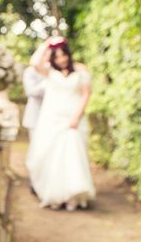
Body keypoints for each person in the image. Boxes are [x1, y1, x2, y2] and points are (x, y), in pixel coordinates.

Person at [26, 37, 95, 211]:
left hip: (72, 119)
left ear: (68, 55)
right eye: (57, 57)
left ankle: (74, 195)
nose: (61, 60)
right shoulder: (49, 71)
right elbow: (34, 62)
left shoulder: (80, 70)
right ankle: (56, 195)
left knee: (72, 157)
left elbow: (86, 94)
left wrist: (76, 117)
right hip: (52, 119)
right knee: (52, 157)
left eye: (63, 56)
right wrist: (48, 43)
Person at [21, 44, 47, 141]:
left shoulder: (54, 71)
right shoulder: (30, 71)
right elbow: (30, 91)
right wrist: (47, 83)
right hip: (35, 116)